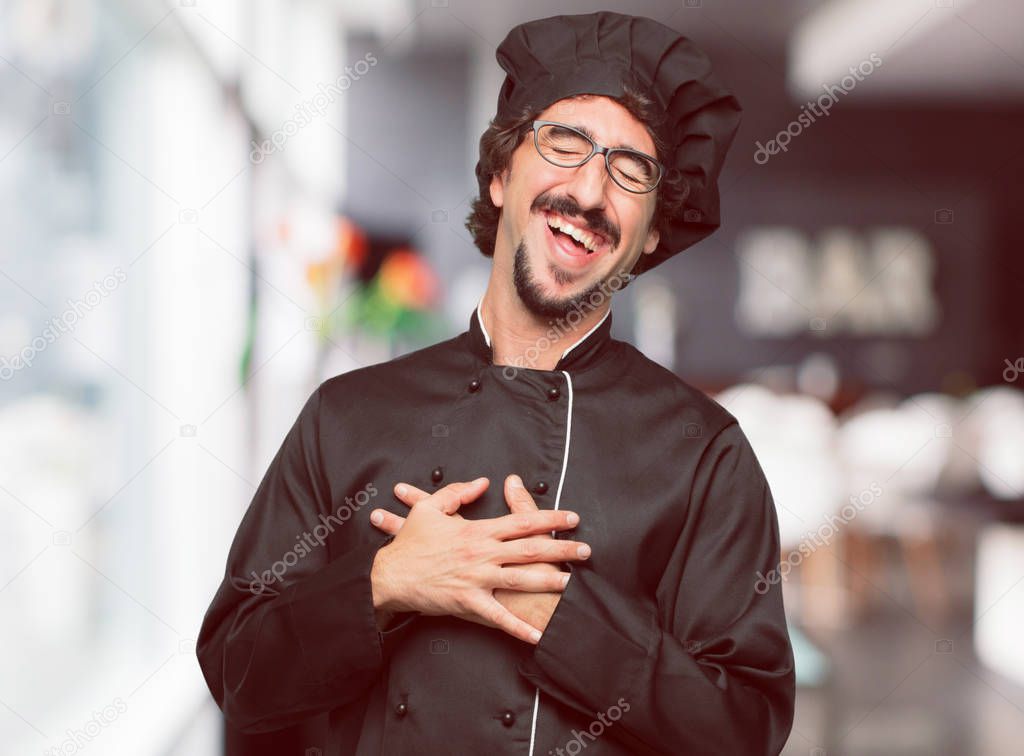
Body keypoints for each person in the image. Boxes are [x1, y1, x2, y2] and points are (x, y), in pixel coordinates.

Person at [198, 11, 795, 755]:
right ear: (500, 174)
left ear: (652, 234)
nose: (589, 191)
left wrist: (563, 618)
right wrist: (384, 583)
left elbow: (743, 731)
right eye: (565, 144)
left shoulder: (704, 454)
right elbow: (237, 670)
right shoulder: (346, 414)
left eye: (630, 170)